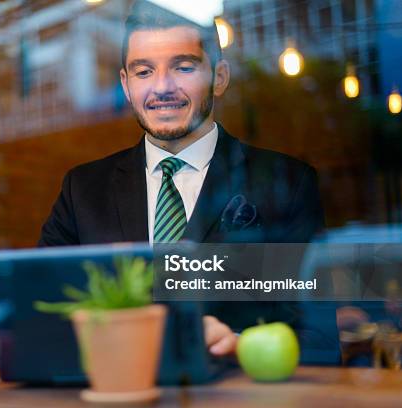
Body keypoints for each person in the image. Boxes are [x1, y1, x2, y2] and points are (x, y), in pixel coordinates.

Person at [39, 1, 337, 360]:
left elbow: (319, 337)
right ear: (126, 84)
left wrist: (239, 346)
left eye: (183, 67)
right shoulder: (82, 190)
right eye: (144, 72)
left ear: (220, 76)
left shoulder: (288, 183)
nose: (162, 88)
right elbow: (28, 324)